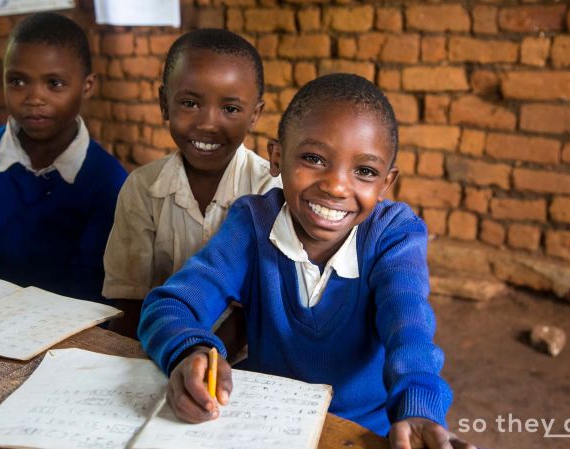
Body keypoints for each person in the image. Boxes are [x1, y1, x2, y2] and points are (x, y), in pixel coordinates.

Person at [138, 73, 476, 449]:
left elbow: (409, 327)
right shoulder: (252, 224)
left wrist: (417, 406)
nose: (335, 186)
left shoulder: (394, 235)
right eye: (313, 159)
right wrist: (190, 350)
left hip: (362, 430)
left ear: (386, 182)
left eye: (364, 171)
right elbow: (170, 305)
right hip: (260, 421)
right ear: (277, 157)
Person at [102, 29, 281, 342]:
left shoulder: (272, 190)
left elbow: (261, 308)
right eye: (189, 103)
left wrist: (203, 355)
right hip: (158, 350)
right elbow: (129, 301)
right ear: (164, 104)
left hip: (246, 362)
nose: (208, 124)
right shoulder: (143, 189)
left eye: (230, 109)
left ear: (255, 115)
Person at [0, 12, 126, 303]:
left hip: (76, 321)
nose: (34, 98)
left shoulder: (107, 180)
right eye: (18, 82)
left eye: (54, 83)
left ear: (87, 86)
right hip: (1, 311)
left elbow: (93, 280)